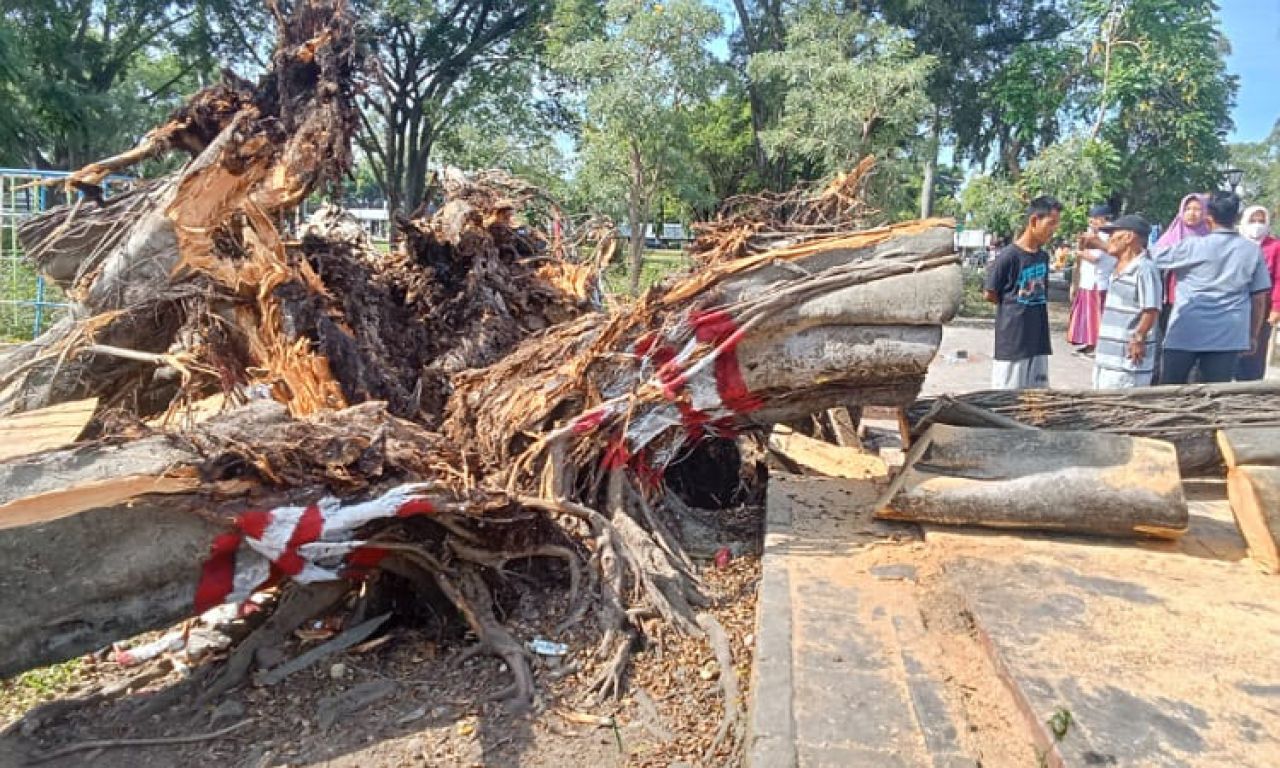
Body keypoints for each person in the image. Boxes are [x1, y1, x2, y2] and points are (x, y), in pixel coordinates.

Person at [1149, 192, 1272, 384]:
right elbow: (1259, 298)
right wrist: (1253, 335)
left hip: (1185, 330)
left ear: (1209, 218)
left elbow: (1150, 258)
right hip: (1228, 335)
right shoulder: (1252, 251)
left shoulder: (1192, 246)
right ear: (1238, 218)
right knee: (1215, 394)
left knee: (1170, 391)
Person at [984, 196, 1062, 389]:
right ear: (1034, 221)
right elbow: (990, 293)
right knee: (1007, 399)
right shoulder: (1009, 256)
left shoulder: (1043, 257)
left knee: (1037, 400)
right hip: (1013, 342)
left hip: (1038, 340)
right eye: (1051, 223)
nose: (1054, 230)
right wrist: (1014, 308)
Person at [1091, 215, 1161, 388]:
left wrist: (1139, 338)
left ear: (1129, 237)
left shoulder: (1145, 269)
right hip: (1108, 359)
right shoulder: (1119, 267)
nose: (1110, 239)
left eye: (1114, 234)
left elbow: (1151, 309)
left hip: (1127, 363)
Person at [1150, 194, 1209, 382]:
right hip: (1169, 301)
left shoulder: (1209, 239)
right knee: (1166, 344)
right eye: (1188, 209)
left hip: (1198, 302)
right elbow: (1153, 259)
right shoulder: (1170, 236)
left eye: (1197, 209)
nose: (1192, 213)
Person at [1235, 205, 1280, 380]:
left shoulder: (1274, 246)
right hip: (1235, 304)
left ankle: (1249, 389)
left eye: (1261, 221)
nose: (1257, 225)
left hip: (1262, 307)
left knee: (1255, 350)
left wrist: (1276, 307)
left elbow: (1278, 278)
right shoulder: (1236, 243)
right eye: (1253, 220)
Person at [1068, 204, 1117, 355]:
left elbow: (1095, 257)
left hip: (1098, 281)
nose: (1092, 221)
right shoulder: (1094, 233)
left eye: (1096, 218)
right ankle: (1089, 343)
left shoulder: (1105, 235)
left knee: (1095, 316)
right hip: (1089, 280)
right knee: (1086, 315)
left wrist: (1078, 252)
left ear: (1103, 218)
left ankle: (1096, 345)